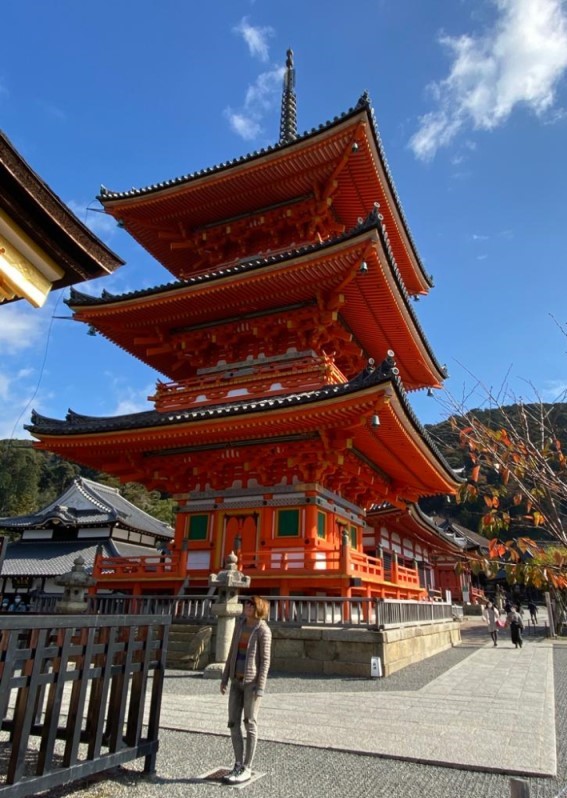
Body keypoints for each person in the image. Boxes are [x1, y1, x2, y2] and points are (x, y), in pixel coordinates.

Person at [220, 596, 272, 784]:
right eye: (246, 603)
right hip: (235, 680)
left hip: (252, 683)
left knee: (250, 722)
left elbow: (265, 660)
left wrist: (261, 687)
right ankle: (237, 763)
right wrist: (225, 677)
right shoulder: (240, 625)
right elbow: (232, 652)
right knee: (233, 722)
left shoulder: (263, 631)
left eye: (251, 604)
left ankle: (247, 767)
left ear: (258, 608)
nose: (247, 606)